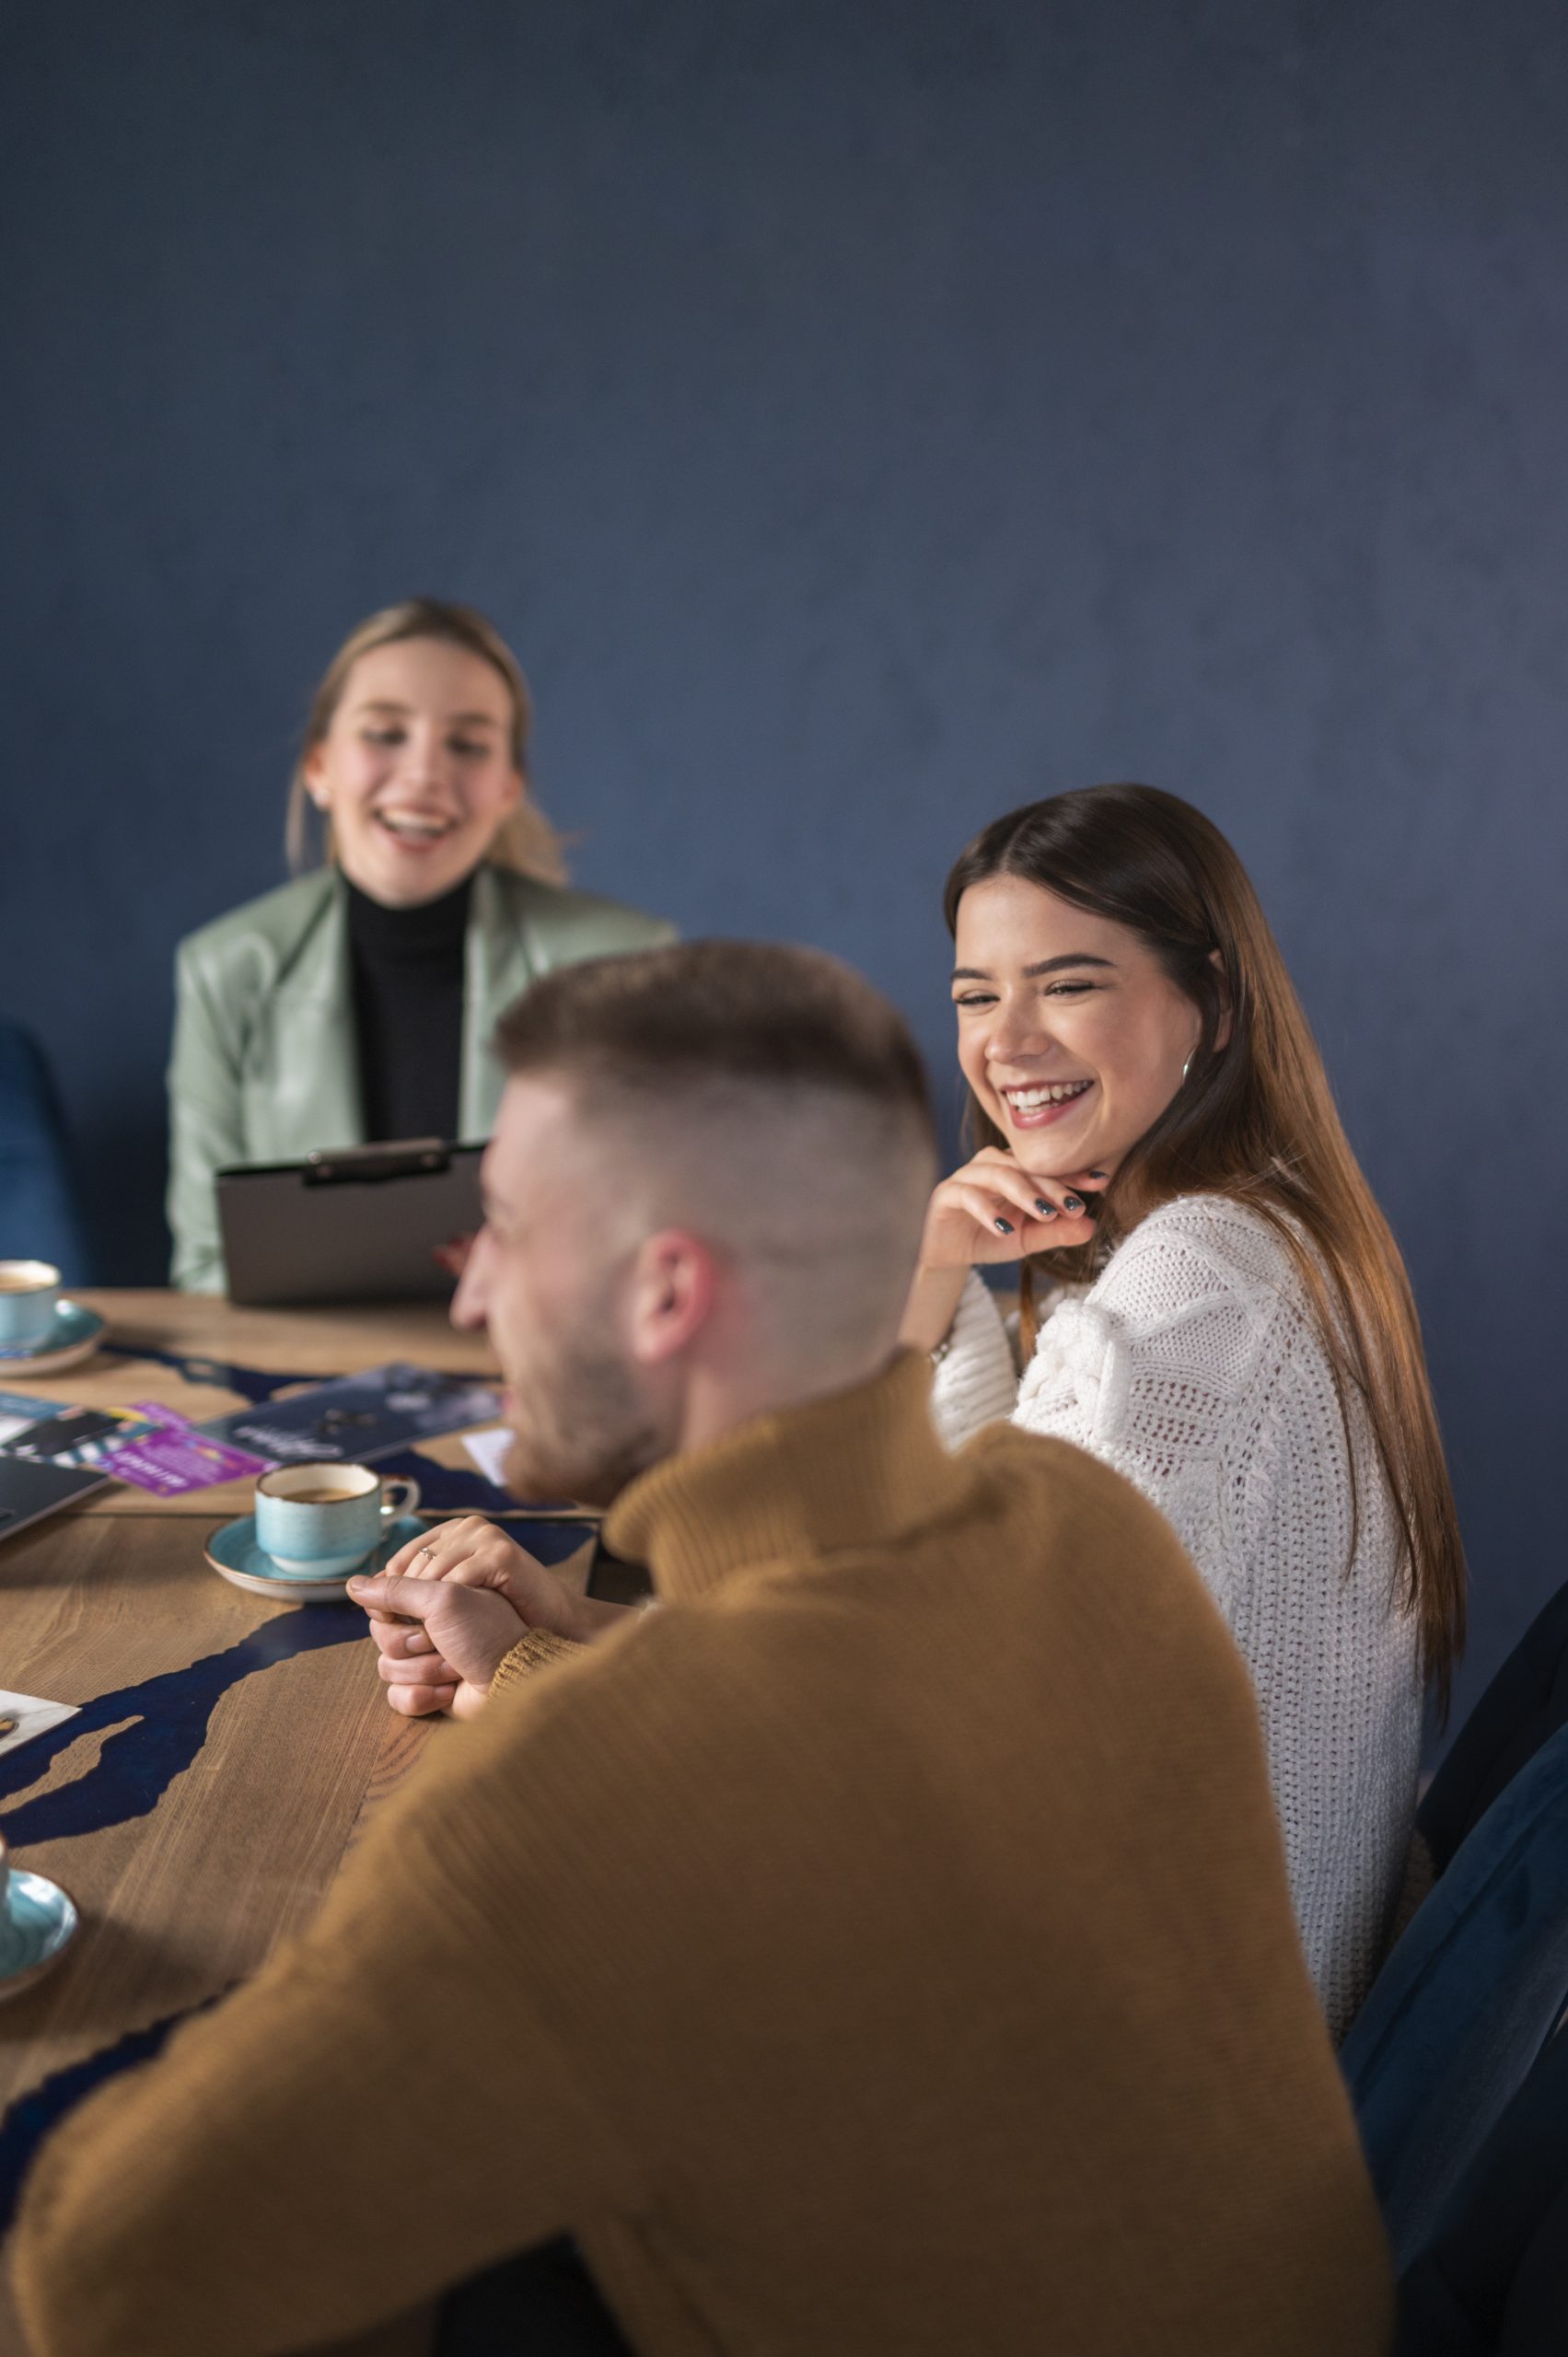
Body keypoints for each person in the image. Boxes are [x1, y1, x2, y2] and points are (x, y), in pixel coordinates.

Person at [13, 943, 1390, 2357]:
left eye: (501, 1227)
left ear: (665, 1295)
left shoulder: (579, 1810)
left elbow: (108, 2288)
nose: (472, 1295)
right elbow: (845, 1752)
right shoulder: (1085, 1532)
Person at [895, 782, 1465, 2039]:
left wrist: (557, 1662)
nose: (1006, 1041)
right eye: (975, 996)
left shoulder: (1200, 1280)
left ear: (1208, 1004)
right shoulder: (1247, 1236)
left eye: (1069, 983)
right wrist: (933, 1282)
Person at [166, 597, 674, 1291]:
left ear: (507, 789)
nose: (425, 774)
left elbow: (647, 1245)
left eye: (466, 744)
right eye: (384, 733)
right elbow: (206, 1268)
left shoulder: (618, 966)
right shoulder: (224, 971)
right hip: (293, 1381)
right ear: (320, 767)